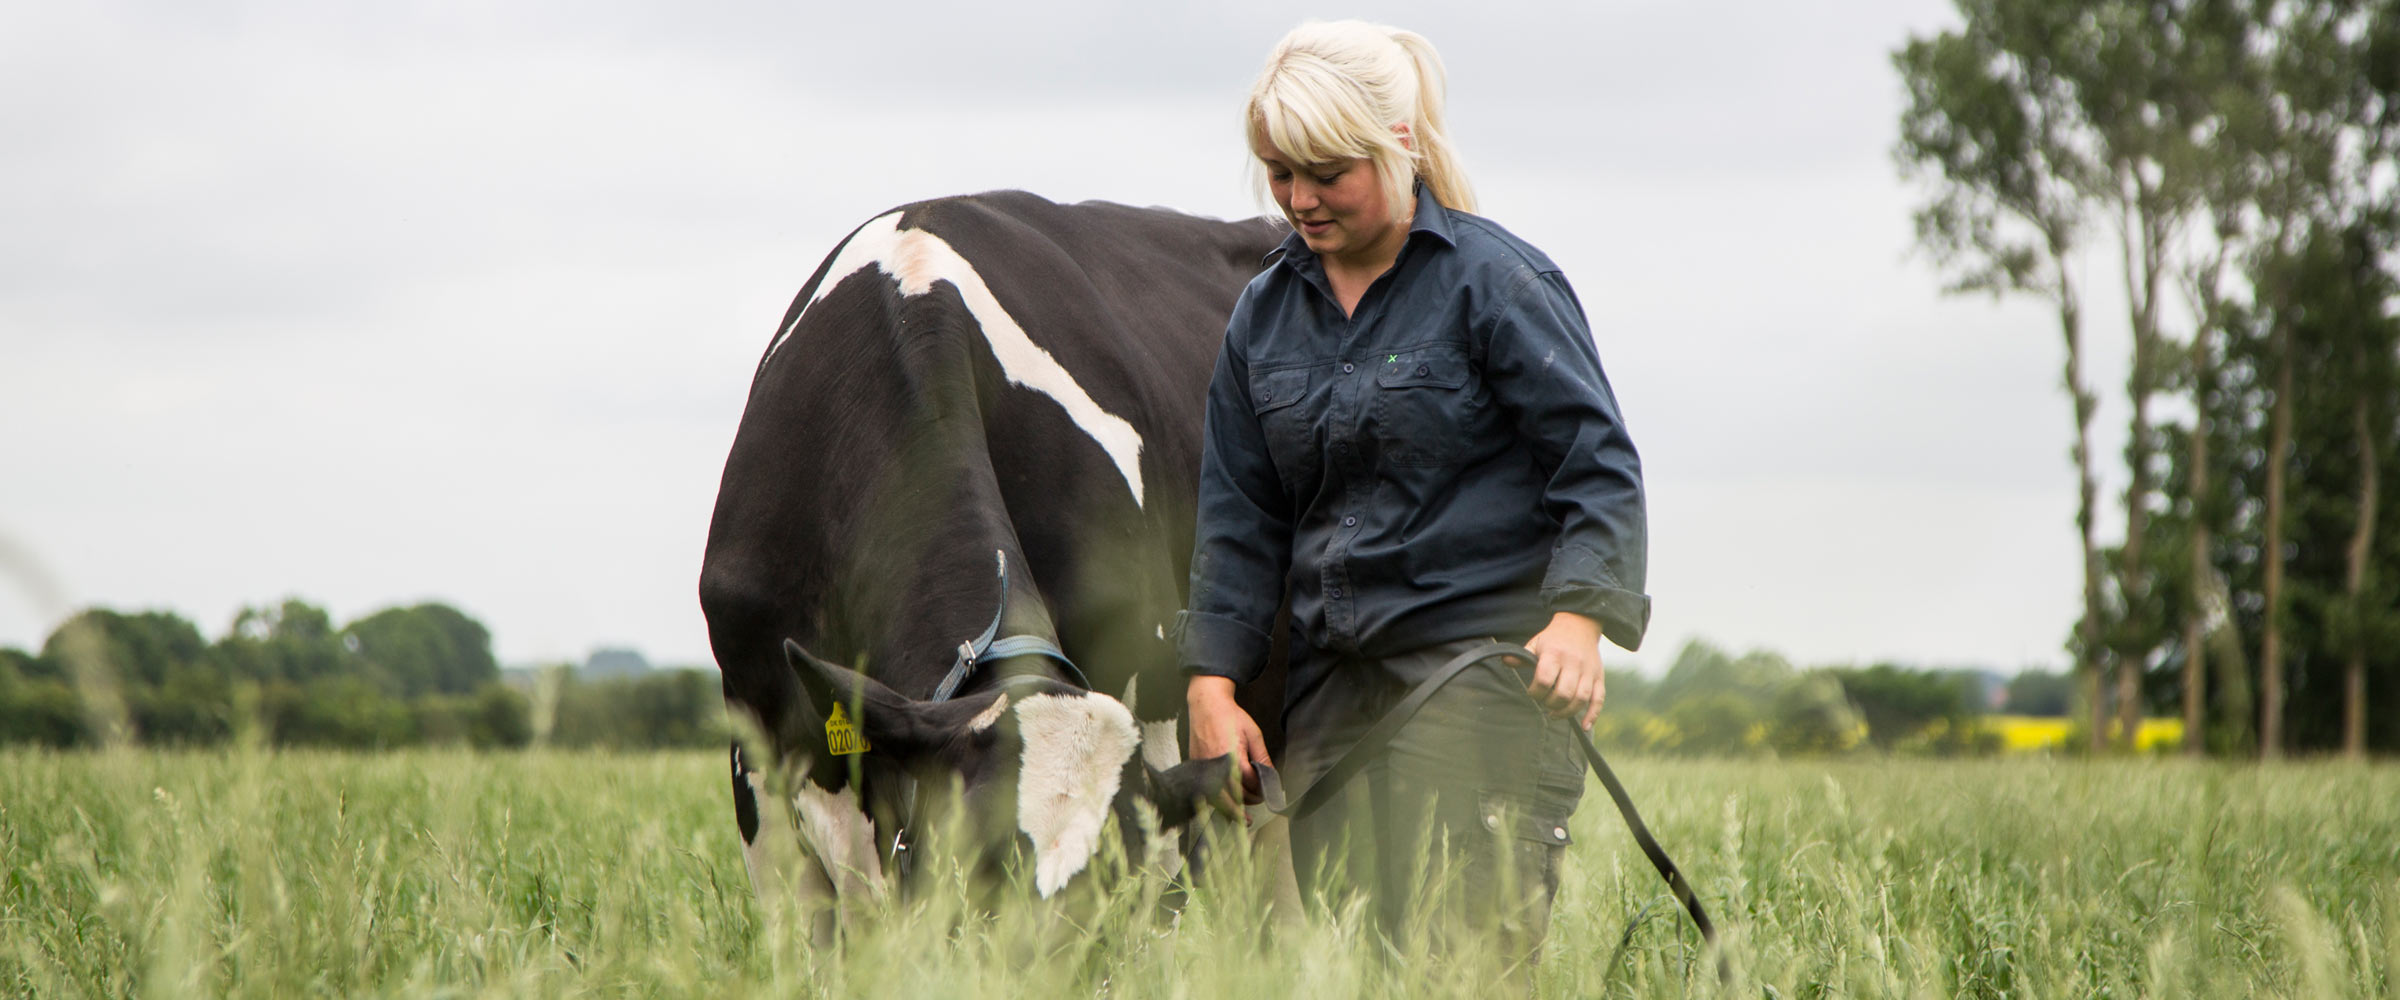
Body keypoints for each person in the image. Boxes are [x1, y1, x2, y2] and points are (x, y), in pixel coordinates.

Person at [1173, 19, 1650, 966]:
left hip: (1480, 688)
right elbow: (1239, 519)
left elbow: (1596, 464)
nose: (1299, 200)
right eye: (1278, 173)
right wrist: (1213, 683)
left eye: (1326, 172)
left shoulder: (1497, 284)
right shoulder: (1262, 316)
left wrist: (1579, 621)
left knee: (1464, 969)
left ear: (1399, 146)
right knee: (1347, 969)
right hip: (1330, 705)